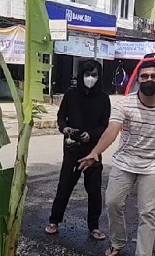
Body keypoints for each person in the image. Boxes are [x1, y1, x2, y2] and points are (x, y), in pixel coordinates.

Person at [77, 60, 155, 256]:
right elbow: (112, 131)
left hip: (153, 166)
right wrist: (95, 152)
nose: (149, 80)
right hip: (124, 162)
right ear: (138, 80)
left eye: (153, 76)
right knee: (112, 202)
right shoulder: (125, 104)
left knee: (148, 212)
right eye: (144, 76)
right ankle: (118, 242)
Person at [45, 59, 111, 240]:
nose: (90, 78)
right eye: (87, 74)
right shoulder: (71, 94)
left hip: (93, 151)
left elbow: (104, 125)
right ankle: (54, 221)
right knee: (64, 187)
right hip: (72, 149)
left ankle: (94, 227)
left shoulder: (104, 99)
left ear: (99, 77)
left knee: (95, 192)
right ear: (81, 75)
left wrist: (91, 135)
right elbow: (61, 118)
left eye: (94, 75)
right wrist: (64, 128)